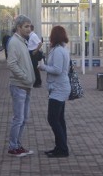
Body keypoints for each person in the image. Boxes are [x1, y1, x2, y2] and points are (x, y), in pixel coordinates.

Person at [38, 26, 71, 158]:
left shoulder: (58, 51)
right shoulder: (62, 49)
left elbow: (57, 69)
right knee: (59, 119)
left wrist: (43, 67)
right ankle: (60, 147)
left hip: (59, 88)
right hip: (60, 87)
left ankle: (63, 148)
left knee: (52, 119)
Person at [6, 15, 36, 157]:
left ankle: (17, 144)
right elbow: (11, 63)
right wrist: (24, 77)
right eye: (26, 26)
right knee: (18, 118)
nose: (29, 29)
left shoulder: (22, 42)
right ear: (18, 28)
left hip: (25, 85)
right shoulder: (14, 42)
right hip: (19, 85)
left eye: (29, 26)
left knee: (23, 118)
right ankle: (13, 146)